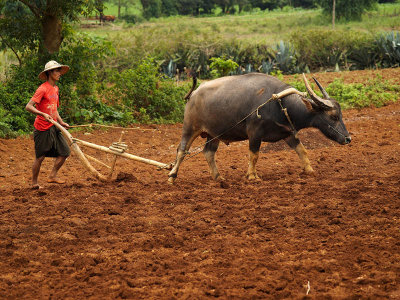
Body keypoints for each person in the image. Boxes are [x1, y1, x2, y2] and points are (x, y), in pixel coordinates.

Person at [25, 60, 71, 189]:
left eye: (59, 71)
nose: (59, 73)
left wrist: (61, 122)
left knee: (65, 152)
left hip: (54, 126)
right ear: (50, 72)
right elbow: (28, 106)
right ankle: (34, 183)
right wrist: (42, 114)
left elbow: (54, 108)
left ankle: (52, 176)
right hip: (42, 128)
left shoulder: (55, 88)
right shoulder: (42, 89)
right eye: (57, 71)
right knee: (40, 157)